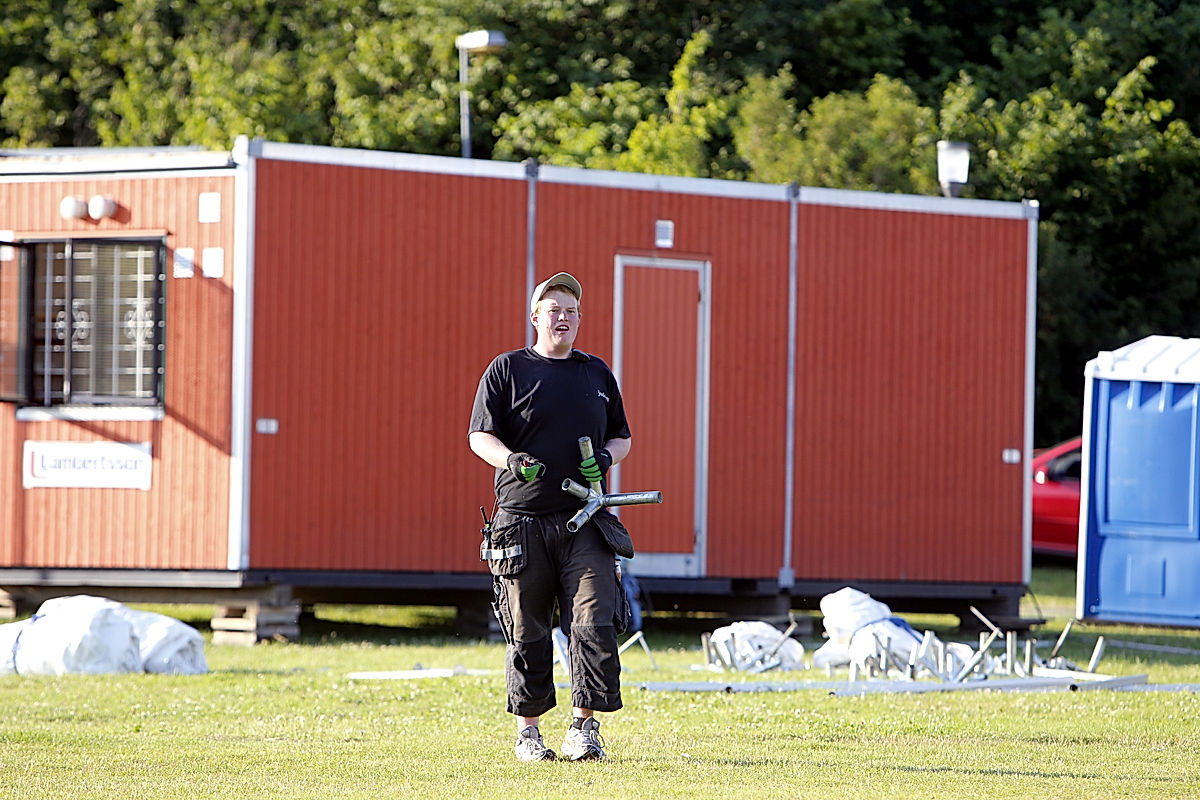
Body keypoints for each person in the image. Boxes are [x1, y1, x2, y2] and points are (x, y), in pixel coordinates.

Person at [468, 271, 635, 762]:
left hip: (585, 519)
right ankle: (529, 735)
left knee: (594, 619)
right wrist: (511, 459)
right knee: (528, 627)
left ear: (580, 319)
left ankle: (583, 729)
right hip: (520, 520)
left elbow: (622, 437)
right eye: (554, 309)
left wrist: (605, 459)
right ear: (535, 317)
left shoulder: (596, 374)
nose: (563, 317)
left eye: (571, 310)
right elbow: (479, 436)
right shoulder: (507, 369)